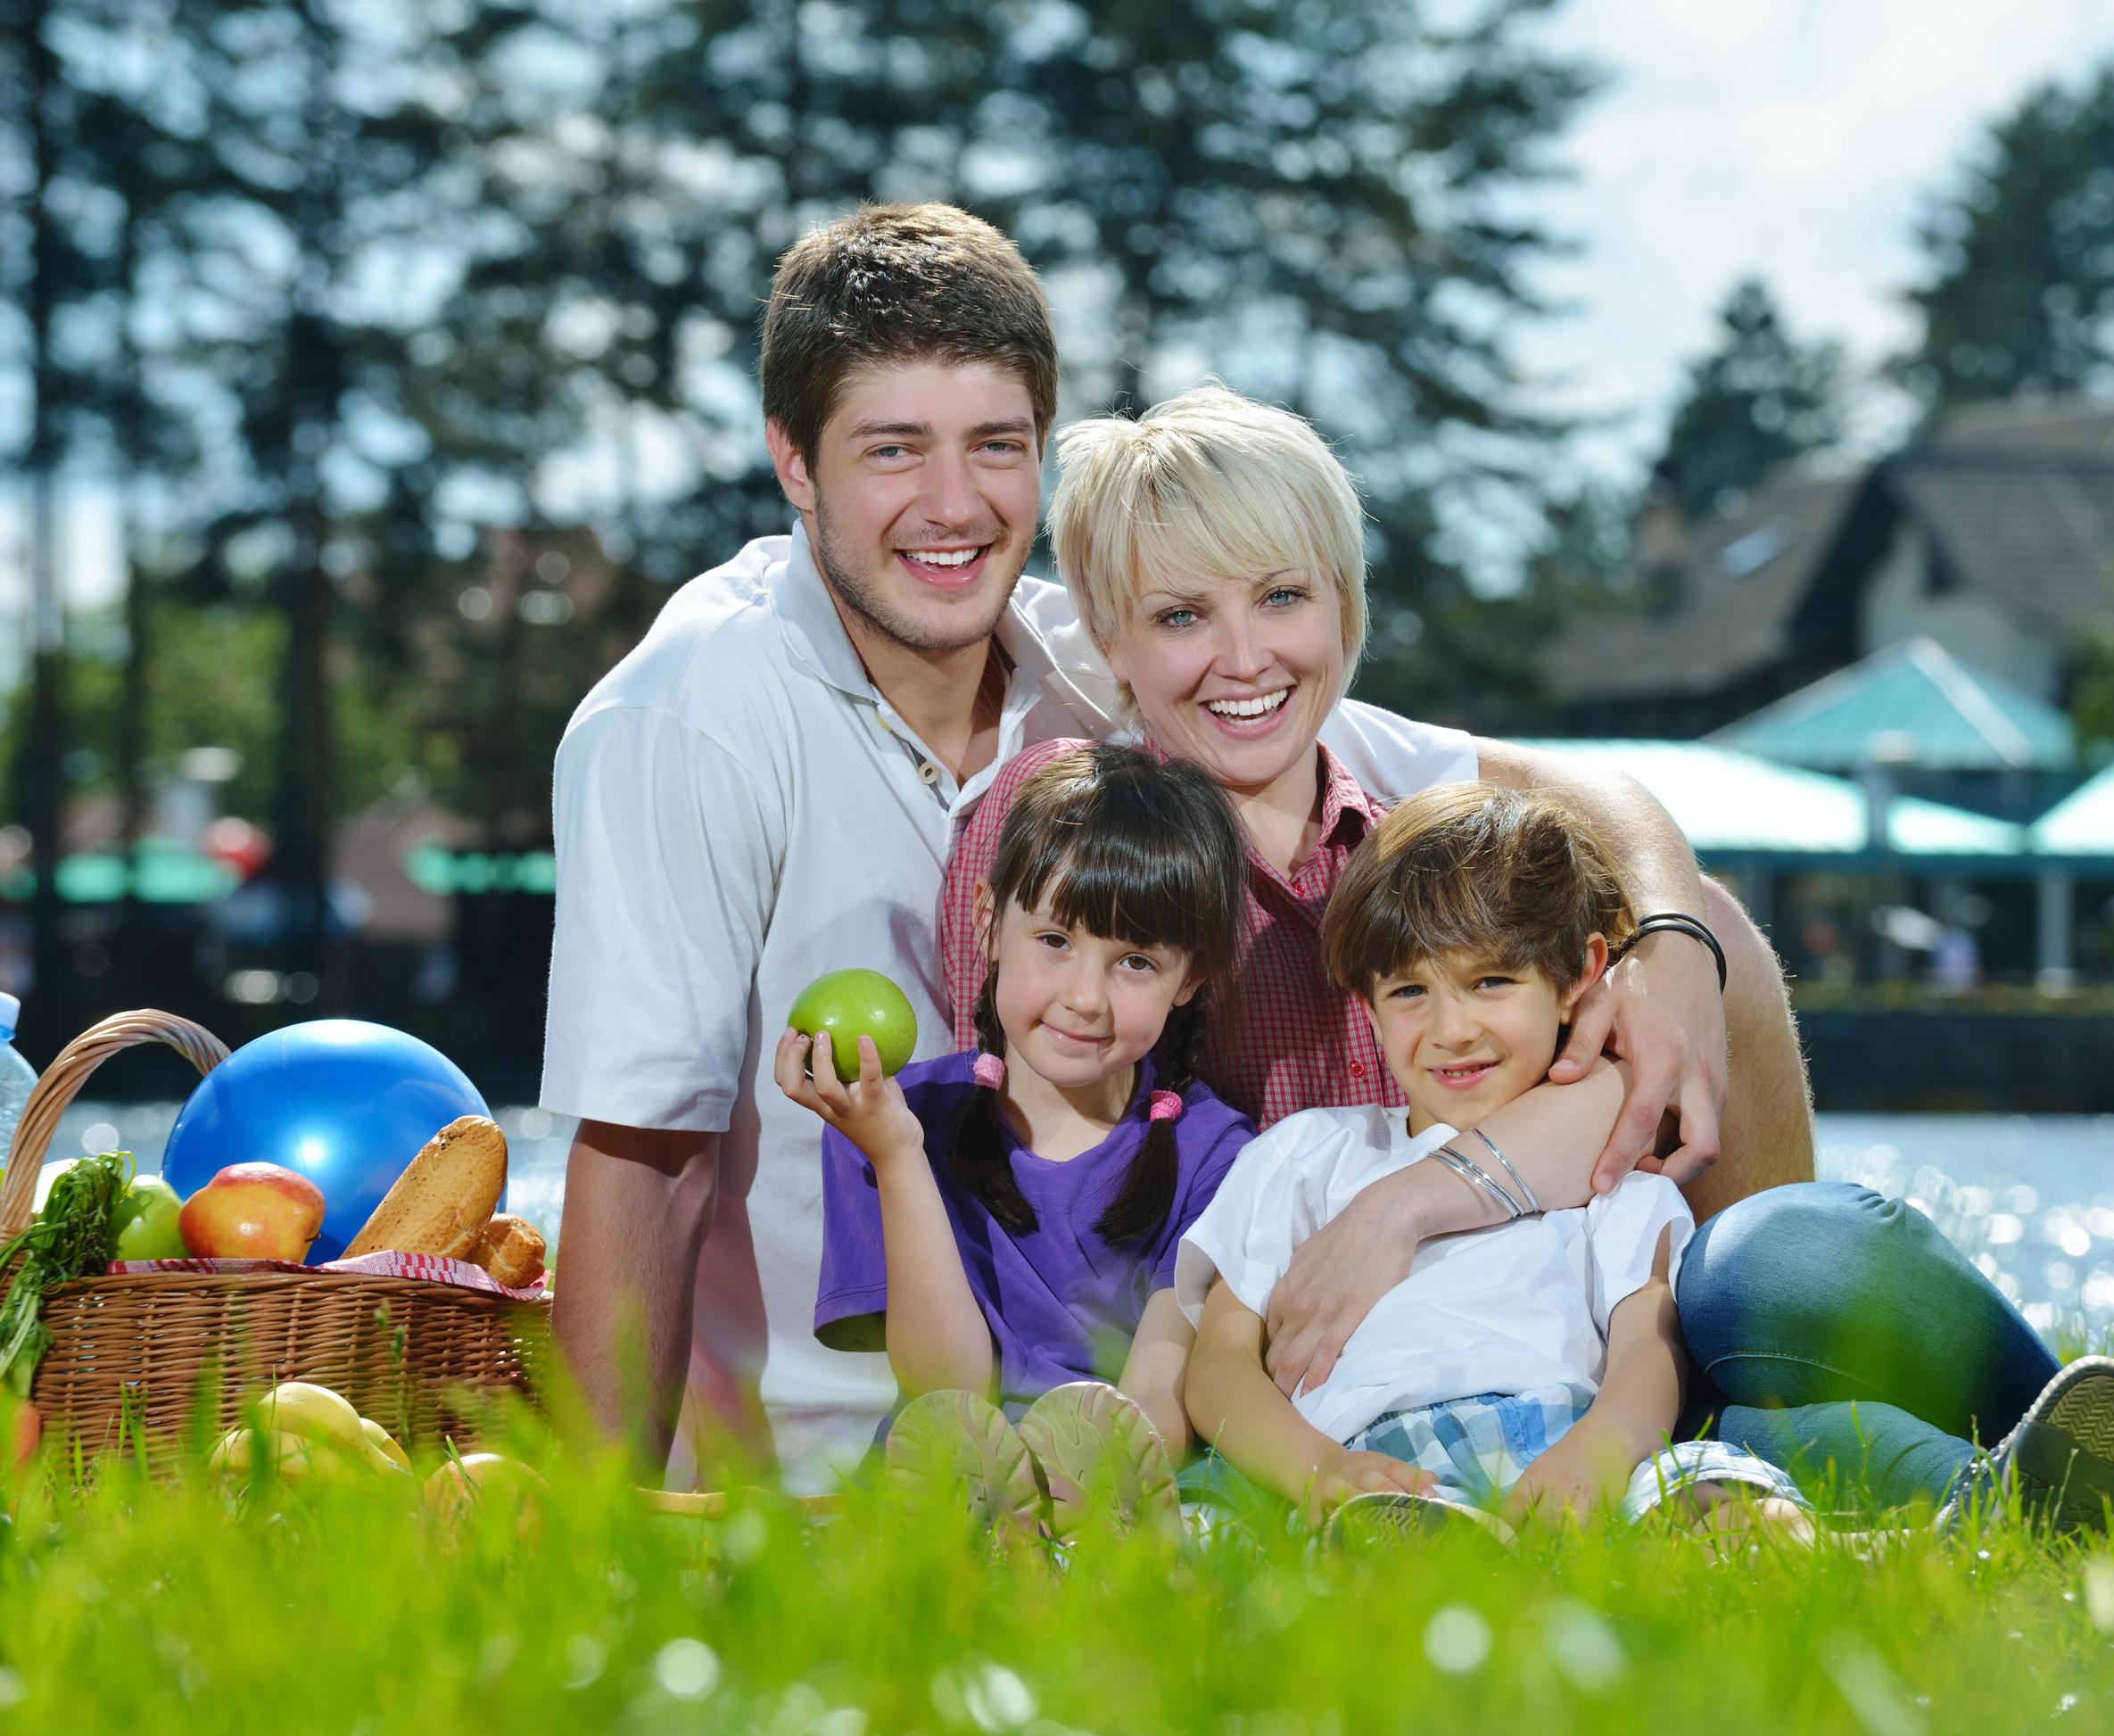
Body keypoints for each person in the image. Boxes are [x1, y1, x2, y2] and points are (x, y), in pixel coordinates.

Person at [542, 203, 1809, 1487]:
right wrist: (604, 1531)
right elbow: (645, 1150)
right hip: (907, 1420)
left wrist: (1670, 939)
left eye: (995, 445)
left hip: (1313, 1341)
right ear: (793, 461)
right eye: (890, 449)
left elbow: (1563, 790)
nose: (950, 503)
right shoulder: (700, 717)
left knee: (1728, 975)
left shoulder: (1100, 662)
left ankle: (1755, 1427)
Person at [937, 384, 1813, 1402]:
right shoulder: (1073, 832)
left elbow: (1601, 795)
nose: (1245, 657)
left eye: (1281, 598)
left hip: (1522, 1322)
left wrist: (1673, 946)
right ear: (1110, 640)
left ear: (1342, 602)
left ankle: (1858, 1399)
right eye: (1181, 615)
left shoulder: (1413, 815)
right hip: (1228, 1375)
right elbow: (1001, 1152)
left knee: (1733, 999)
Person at [1177, 784, 2114, 1541]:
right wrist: (1313, 1468)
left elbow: (1647, 1348)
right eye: (1408, 993)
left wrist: (1600, 1451)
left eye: (1492, 981)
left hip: (1561, 1440)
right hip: (1356, 1461)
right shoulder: (1307, 1155)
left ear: (1582, 975)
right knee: (1209, 1517)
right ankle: (1408, 1553)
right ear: (1365, 1000)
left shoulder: (1612, 1168)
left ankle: (2003, 1497)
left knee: (1722, 1480)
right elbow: (1220, 1361)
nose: (1452, 1027)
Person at [773, 745, 1255, 1536]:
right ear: (989, 924)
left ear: (1190, 981)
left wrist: (1074, 1498)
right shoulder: (896, 1115)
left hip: (1119, 1489)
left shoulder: (1219, 1153)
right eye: (1055, 941)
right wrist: (895, 1155)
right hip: (945, 1486)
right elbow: (946, 1388)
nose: (1084, 998)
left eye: (1134, 962)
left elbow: (1160, 1398)